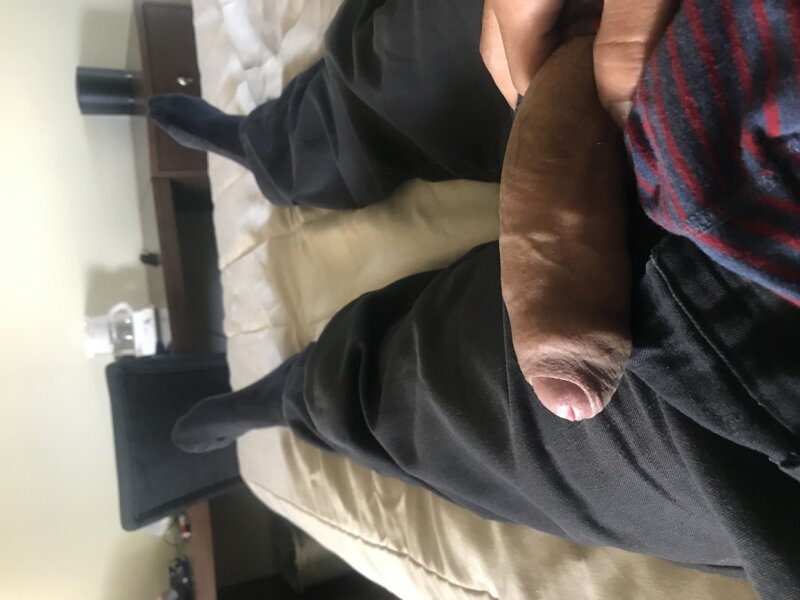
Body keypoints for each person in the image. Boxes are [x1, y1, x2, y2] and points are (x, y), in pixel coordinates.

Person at [151, 0, 800, 597]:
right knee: (453, 47)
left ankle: (301, 396)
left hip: (765, 395)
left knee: (439, 400)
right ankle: (278, 148)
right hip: (720, 47)